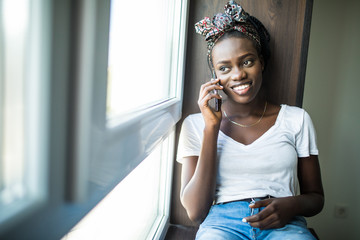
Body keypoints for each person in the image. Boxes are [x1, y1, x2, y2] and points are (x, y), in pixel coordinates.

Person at [176, 1, 324, 239]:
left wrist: (290, 206)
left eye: (247, 62)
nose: (238, 75)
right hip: (220, 225)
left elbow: (316, 198)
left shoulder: (297, 120)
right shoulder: (195, 125)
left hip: (284, 223)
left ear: (261, 63)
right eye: (224, 68)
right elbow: (195, 211)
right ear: (215, 78)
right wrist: (211, 128)